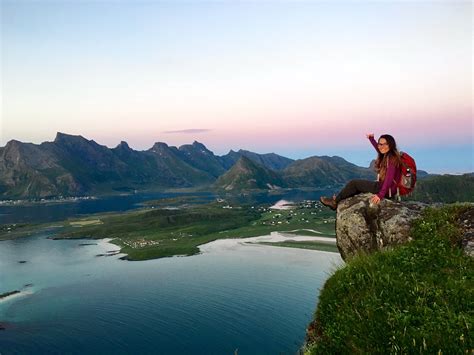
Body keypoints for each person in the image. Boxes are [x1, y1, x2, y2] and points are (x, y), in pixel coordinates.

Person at [320, 133, 402, 210]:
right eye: (380, 144)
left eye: (385, 144)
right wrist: (371, 139)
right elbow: (379, 149)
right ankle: (339, 199)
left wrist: (380, 195)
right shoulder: (390, 155)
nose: (381, 146)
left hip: (386, 189)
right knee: (357, 187)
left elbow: (389, 178)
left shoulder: (391, 159)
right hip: (389, 188)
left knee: (354, 184)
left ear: (390, 145)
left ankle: (335, 202)